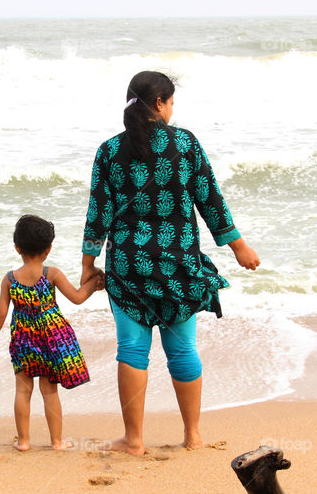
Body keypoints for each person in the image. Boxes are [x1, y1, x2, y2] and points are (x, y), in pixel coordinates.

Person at [80, 70, 260, 456]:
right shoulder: (185, 143)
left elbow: (98, 211)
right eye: (172, 102)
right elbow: (209, 197)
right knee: (182, 349)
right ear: (159, 103)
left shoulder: (109, 150)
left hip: (129, 264)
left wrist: (87, 264)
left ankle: (134, 440)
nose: (173, 110)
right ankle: (193, 436)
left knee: (131, 349)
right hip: (178, 262)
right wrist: (237, 245)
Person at [0, 214, 103, 451]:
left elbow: (0, 313)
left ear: (17, 248)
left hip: (23, 341)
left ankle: (25, 441)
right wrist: (96, 282)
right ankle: (57, 442)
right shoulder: (52, 274)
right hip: (51, 340)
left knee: (22, 390)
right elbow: (78, 297)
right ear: (48, 249)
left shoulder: (9, 279)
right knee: (49, 392)